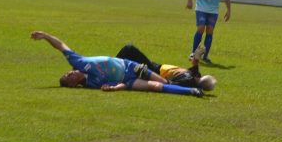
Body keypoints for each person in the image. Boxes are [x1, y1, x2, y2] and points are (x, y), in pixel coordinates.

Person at [30, 30, 210, 96]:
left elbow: (61, 46)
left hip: (129, 66)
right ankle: (193, 91)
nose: (69, 73)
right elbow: (119, 85)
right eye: (68, 78)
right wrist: (115, 88)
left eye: (66, 73)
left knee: (162, 81)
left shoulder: (79, 62)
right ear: (73, 85)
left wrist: (45, 36)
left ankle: (192, 85)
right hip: (128, 79)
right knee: (156, 86)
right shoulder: (92, 84)